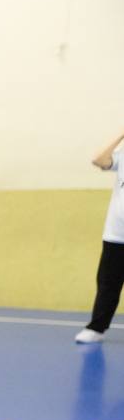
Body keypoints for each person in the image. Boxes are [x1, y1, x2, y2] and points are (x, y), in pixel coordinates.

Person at [75, 128, 124, 344]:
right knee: (107, 283)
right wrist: (121, 133)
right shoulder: (122, 156)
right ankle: (97, 328)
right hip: (116, 234)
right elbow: (98, 159)